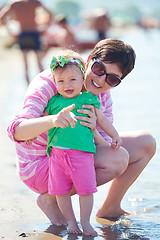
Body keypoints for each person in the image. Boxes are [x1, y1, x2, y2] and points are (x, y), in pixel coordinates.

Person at [7, 39, 156, 229]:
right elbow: (16, 131)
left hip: (73, 155)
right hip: (40, 166)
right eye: (99, 69)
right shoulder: (51, 82)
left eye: (112, 79)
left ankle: (110, 207)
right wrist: (52, 120)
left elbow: (105, 147)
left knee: (146, 143)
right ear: (88, 60)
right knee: (117, 159)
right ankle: (51, 198)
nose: (101, 80)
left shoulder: (101, 96)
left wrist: (93, 130)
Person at [32, 50, 121, 235]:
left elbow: (102, 120)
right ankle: (72, 223)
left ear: (82, 80)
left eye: (73, 80)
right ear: (55, 83)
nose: (67, 85)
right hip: (57, 157)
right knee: (61, 192)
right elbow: (43, 120)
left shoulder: (88, 98)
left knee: (86, 190)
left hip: (82, 156)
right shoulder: (54, 101)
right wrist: (33, 132)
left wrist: (114, 135)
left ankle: (86, 222)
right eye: (61, 81)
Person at [0, 0, 52, 85]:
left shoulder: (16, 3)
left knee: (26, 64)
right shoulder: (33, 2)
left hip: (24, 34)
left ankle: (29, 88)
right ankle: (45, 86)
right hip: (33, 33)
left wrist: (10, 31)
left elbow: (2, 17)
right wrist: (45, 26)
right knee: (39, 63)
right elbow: (50, 13)